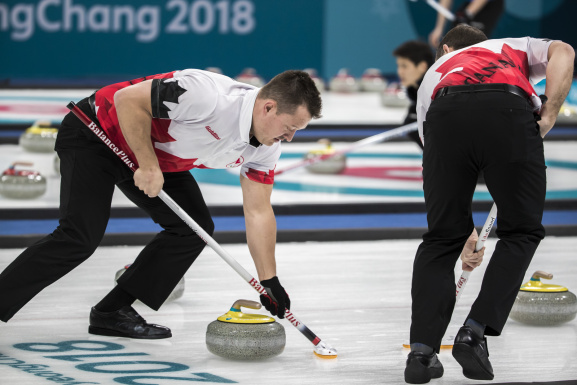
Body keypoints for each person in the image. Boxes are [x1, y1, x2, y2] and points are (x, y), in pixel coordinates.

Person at [0, 69, 322, 339]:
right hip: (97, 134)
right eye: (289, 128)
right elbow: (127, 101)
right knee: (79, 237)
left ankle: (111, 311)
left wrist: (270, 281)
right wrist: (148, 164)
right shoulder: (207, 94)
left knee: (193, 229)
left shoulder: (265, 147)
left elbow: (258, 211)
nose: (290, 138)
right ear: (268, 108)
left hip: (153, 157)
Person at [405, 24, 574, 384]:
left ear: (447, 50)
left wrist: (463, 232)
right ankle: (474, 332)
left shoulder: (435, 73)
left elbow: (436, 161)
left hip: (443, 113)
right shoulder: (512, 47)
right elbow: (565, 52)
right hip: (508, 108)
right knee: (522, 229)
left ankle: (421, 353)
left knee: (440, 238)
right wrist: (551, 110)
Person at [393, 40, 435, 150]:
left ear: (422, 66)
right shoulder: (414, 89)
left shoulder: (437, 90)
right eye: (399, 66)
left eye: (404, 66)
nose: (400, 72)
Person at [429, 0, 505, 48]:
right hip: (469, 4)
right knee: (452, 44)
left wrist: (467, 14)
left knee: (472, 44)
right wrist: (439, 27)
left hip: (488, 6)